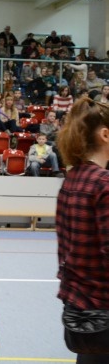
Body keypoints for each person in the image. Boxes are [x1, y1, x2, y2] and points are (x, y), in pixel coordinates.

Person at [55, 98, 109, 363]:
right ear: (105, 134)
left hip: (78, 309)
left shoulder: (72, 180)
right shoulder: (103, 184)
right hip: (103, 308)